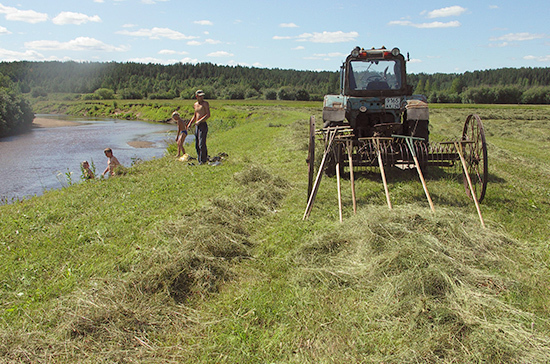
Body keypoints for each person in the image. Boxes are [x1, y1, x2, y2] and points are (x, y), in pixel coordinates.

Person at [187, 89, 210, 165]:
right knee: (197, 144)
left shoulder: (205, 104)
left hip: (203, 125)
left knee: (202, 143)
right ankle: (199, 158)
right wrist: (190, 123)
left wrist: (200, 121)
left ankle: (203, 160)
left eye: (202, 96)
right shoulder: (195, 104)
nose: (202, 97)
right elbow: (195, 115)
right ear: (196, 96)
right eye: (200, 96)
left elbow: (208, 115)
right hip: (197, 126)